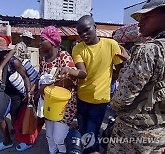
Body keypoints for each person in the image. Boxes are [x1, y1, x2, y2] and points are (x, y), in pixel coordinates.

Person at [60, 15, 124, 154]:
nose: (83, 35)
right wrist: (69, 70)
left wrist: (105, 79)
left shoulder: (111, 45)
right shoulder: (78, 48)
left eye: (87, 30)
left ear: (95, 27)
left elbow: (120, 71)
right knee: (84, 130)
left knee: (91, 132)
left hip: (100, 99)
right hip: (82, 97)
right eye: (80, 32)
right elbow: (83, 73)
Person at [108, 0, 165, 153]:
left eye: (147, 18)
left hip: (134, 135)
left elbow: (122, 98)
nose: (140, 24)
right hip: (159, 134)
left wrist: (113, 104)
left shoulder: (148, 50)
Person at [0, 36, 32, 151]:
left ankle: (24, 140)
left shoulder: (13, 62)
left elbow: (26, 77)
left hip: (16, 95)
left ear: (0, 51)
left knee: (16, 119)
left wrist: (29, 93)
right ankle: (7, 141)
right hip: (4, 93)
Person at [39, 26, 77, 154]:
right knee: (49, 135)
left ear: (52, 42)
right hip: (49, 103)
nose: (39, 44)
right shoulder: (43, 60)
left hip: (64, 106)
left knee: (58, 137)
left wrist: (48, 86)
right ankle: (53, 151)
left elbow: (72, 81)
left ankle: (62, 151)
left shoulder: (64, 57)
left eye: (42, 40)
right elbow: (40, 78)